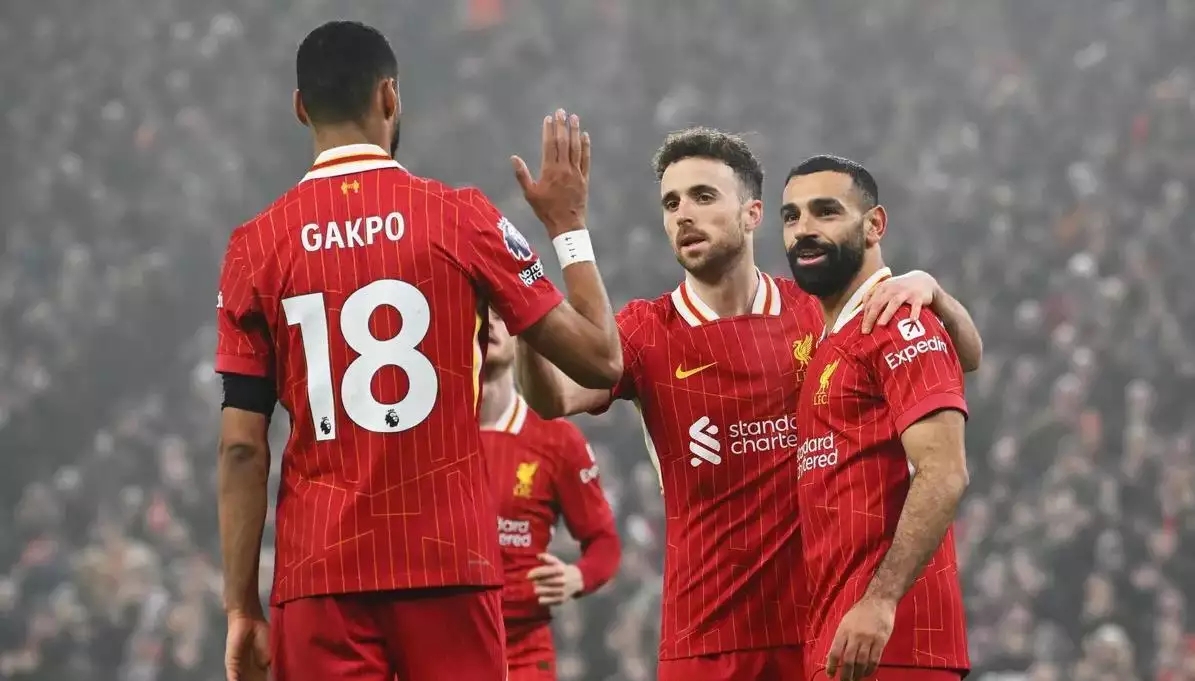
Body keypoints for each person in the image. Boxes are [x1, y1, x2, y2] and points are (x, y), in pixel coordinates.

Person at [213, 20, 622, 681]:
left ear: (300, 108)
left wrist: (240, 606)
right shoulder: (462, 217)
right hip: (450, 565)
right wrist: (568, 226)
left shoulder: (254, 246)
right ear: (389, 97)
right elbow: (601, 360)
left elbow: (240, 447)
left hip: (320, 574)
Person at [516, 128, 982, 681]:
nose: (684, 215)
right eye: (671, 203)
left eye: (703, 197)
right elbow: (552, 397)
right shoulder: (645, 331)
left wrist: (931, 289)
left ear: (753, 213)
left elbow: (954, 354)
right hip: (706, 638)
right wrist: (527, 304)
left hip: (822, 633)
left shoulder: (817, 311)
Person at [783, 155, 970, 681]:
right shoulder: (832, 336)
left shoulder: (897, 321)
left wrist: (881, 601)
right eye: (791, 216)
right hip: (839, 639)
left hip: (893, 641)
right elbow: (971, 354)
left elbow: (945, 472)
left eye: (825, 211)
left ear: (874, 225)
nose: (804, 229)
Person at [479, 306, 621, 680]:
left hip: (523, 648)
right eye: (479, 313)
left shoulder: (557, 440)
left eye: (500, 315)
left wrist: (578, 576)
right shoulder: (431, 436)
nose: (489, 322)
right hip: (444, 641)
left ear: (520, 335)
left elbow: (604, 542)